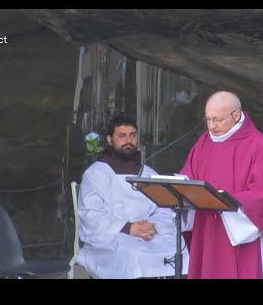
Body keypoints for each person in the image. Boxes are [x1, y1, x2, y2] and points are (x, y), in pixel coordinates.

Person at [179, 91, 263, 279]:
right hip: (208, 230)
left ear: (235, 115)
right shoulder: (203, 143)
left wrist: (222, 201)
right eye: (208, 119)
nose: (211, 126)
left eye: (217, 119)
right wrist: (182, 190)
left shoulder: (259, 144)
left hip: (241, 232)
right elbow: (188, 176)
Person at [76, 115, 189, 279]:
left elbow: (164, 209)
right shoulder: (95, 174)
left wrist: (152, 226)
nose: (128, 140)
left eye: (133, 135)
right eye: (122, 136)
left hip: (148, 234)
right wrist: (129, 228)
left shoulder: (147, 173)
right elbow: (91, 216)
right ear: (109, 139)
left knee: (177, 249)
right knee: (132, 256)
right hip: (112, 237)